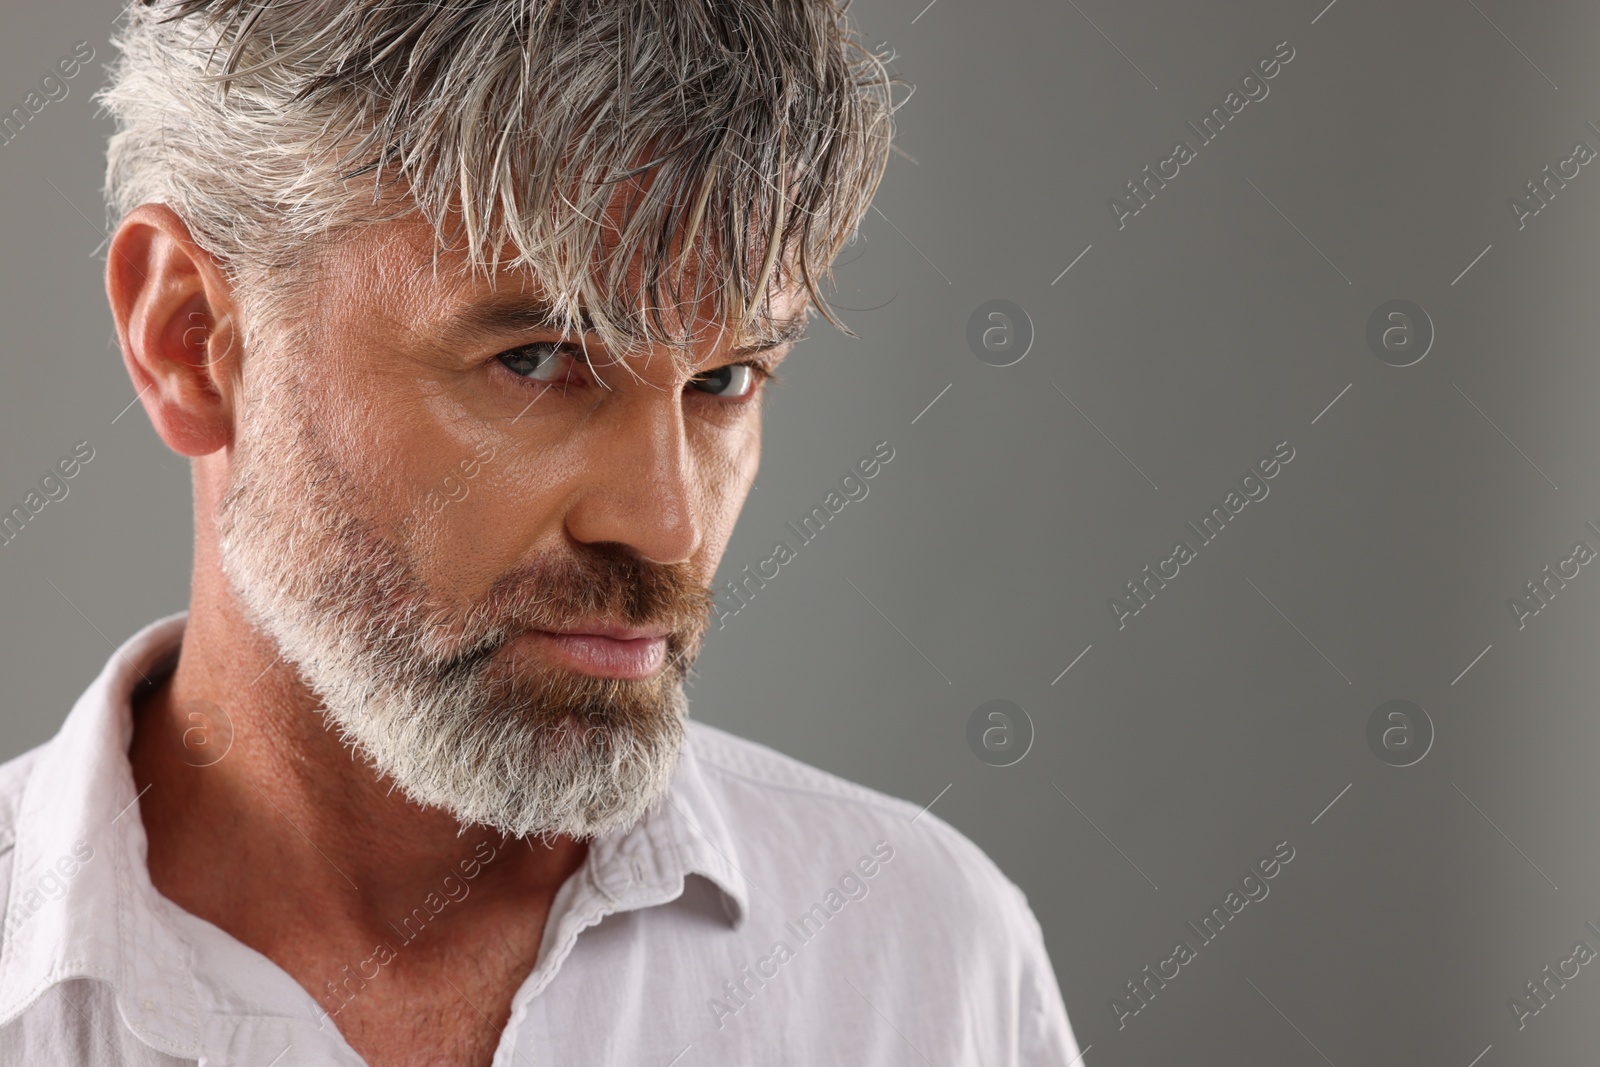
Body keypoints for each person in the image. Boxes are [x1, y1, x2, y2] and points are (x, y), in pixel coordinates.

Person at [0, 1, 1081, 1063]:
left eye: (725, 378)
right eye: (536, 360)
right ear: (192, 339)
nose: (665, 525)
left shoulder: (924, 959)